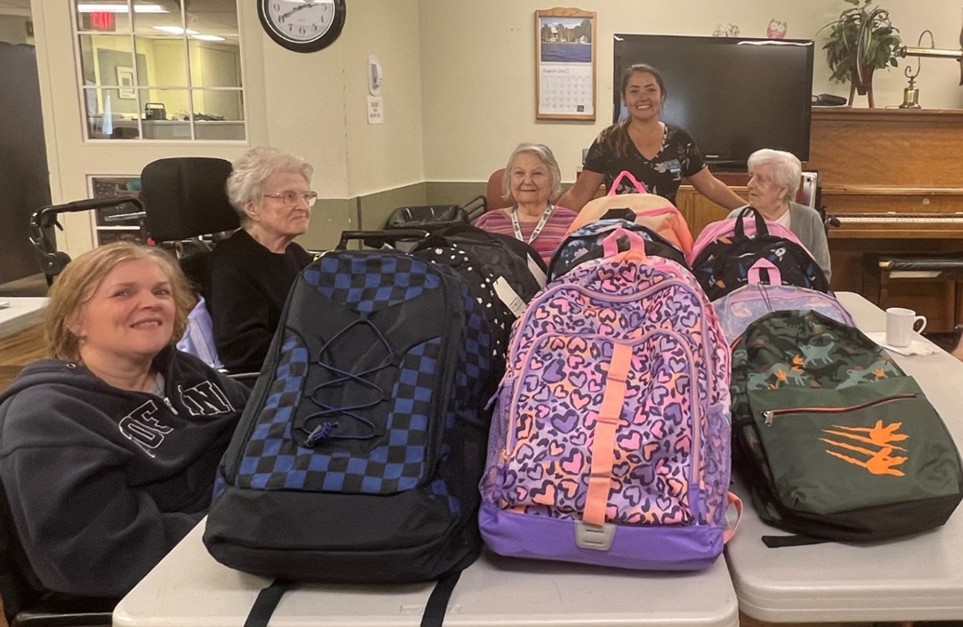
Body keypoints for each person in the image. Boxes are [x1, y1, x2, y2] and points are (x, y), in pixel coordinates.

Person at [0, 242, 249, 598]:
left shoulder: (188, 374)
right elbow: (98, 555)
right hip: (161, 591)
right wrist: (251, 525)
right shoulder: (50, 420)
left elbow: (265, 427)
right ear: (74, 320)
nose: (151, 302)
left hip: (235, 548)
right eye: (123, 293)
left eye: (160, 291)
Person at [558, 64, 745, 211]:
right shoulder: (608, 140)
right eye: (634, 91)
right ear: (624, 97)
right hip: (618, 237)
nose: (643, 97)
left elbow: (710, 185)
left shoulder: (679, 139)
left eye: (650, 90)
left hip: (665, 235)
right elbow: (578, 196)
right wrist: (543, 222)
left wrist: (750, 210)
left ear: (662, 95)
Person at [207, 146, 316, 373]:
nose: (303, 207)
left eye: (306, 196)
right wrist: (318, 349)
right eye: (289, 197)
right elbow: (242, 350)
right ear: (252, 208)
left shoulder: (295, 254)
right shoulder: (232, 266)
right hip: (275, 382)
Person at [727, 148, 832, 281]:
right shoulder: (736, 218)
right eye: (751, 176)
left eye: (760, 179)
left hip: (798, 298)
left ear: (782, 190)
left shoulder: (809, 219)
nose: (750, 185)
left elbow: (822, 274)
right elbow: (724, 270)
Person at [474, 143, 578, 265]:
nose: (527, 181)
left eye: (537, 173)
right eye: (519, 173)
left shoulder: (573, 222)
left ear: (552, 179)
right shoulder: (487, 223)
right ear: (509, 179)